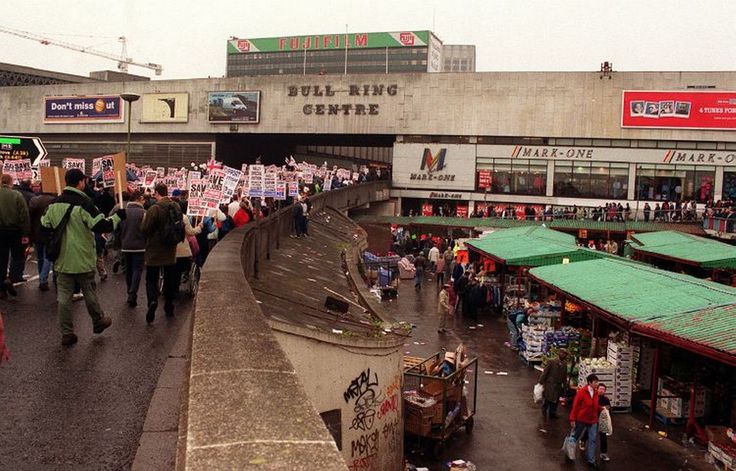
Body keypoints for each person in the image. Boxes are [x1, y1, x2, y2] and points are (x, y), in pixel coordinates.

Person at [40, 169, 123, 346]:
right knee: (89, 291)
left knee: (63, 298)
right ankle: (98, 321)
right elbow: (101, 225)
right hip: (83, 258)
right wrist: (118, 217)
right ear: (80, 182)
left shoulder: (55, 203)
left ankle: (67, 333)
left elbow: (44, 226)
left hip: (62, 259)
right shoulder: (85, 203)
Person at [140, 184, 181, 323]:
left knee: (151, 278)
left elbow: (145, 229)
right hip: (170, 249)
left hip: (154, 249)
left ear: (157, 193)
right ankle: (169, 306)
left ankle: (152, 300)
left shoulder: (154, 209)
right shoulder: (176, 206)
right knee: (169, 279)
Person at [0, 174, 30, 298]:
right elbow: (24, 216)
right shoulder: (17, 195)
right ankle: (11, 279)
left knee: (1, 259)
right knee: (18, 257)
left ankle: (1, 288)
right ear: (11, 182)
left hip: (0, 231)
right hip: (15, 231)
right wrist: (25, 234)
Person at [119, 190, 146, 307]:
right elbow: (146, 230)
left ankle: (129, 290)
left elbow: (117, 228)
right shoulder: (144, 213)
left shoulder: (122, 212)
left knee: (128, 270)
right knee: (137, 270)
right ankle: (132, 293)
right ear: (139, 199)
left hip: (125, 245)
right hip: (139, 246)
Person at [570, 374, 601, 468]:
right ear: (590, 382)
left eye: (597, 382)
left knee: (592, 439)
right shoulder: (582, 392)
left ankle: (591, 460)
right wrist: (572, 418)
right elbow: (575, 406)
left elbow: (594, 405)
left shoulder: (596, 392)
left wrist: (601, 408)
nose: (597, 384)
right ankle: (569, 451)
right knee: (575, 437)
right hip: (582, 419)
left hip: (593, 420)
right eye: (595, 382)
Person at [28, 187, 56, 291]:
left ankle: (42, 277)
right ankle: (43, 279)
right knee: (48, 257)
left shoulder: (35, 200)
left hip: (37, 232)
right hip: (49, 232)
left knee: (40, 257)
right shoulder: (54, 200)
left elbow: (29, 216)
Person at [581, 383, 612, 462]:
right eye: (600, 389)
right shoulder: (593, 397)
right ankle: (583, 441)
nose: (602, 391)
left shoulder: (606, 399)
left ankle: (603, 453)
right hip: (592, 419)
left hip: (602, 420)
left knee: (603, 436)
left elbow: (609, 409)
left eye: (603, 389)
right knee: (589, 432)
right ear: (597, 389)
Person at [538, 349, 568, 418]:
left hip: (558, 385)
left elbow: (564, 376)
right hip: (550, 384)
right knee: (548, 398)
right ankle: (544, 410)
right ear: (559, 353)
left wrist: (565, 386)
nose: (563, 355)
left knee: (555, 400)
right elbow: (545, 372)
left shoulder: (564, 364)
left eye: (564, 354)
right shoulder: (552, 361)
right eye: (562, 353)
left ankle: (552, 412)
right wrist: (540, 382)